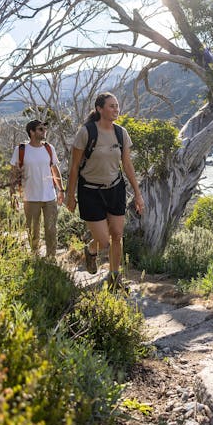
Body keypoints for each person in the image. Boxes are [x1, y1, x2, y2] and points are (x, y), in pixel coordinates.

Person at [66, 93, 145, 292]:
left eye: (117, 106)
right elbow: (74, 166)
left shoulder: (121, 133)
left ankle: (114, 279)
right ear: (100, 109)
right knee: (103, 240)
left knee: (117, 235)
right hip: (90, 191)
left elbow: (127, 164)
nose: (116, 109)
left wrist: (137, 193)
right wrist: (70, 195)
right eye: (111, 106)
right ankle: (92, 250)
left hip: (115, 188)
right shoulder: (86, 132)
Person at [10, 119, 65, 259]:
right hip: (30, 198)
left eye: (44, 129)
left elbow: (55, 169)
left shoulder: (49, 148)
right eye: (40, 129)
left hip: (49, 197)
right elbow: (14, 173)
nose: (44, 131)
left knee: (51, 230)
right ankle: (35, 256)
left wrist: (61, 190)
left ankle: (51, 258)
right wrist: (13, 195)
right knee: (33, 231)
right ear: (32, 132)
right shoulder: (21, 150)